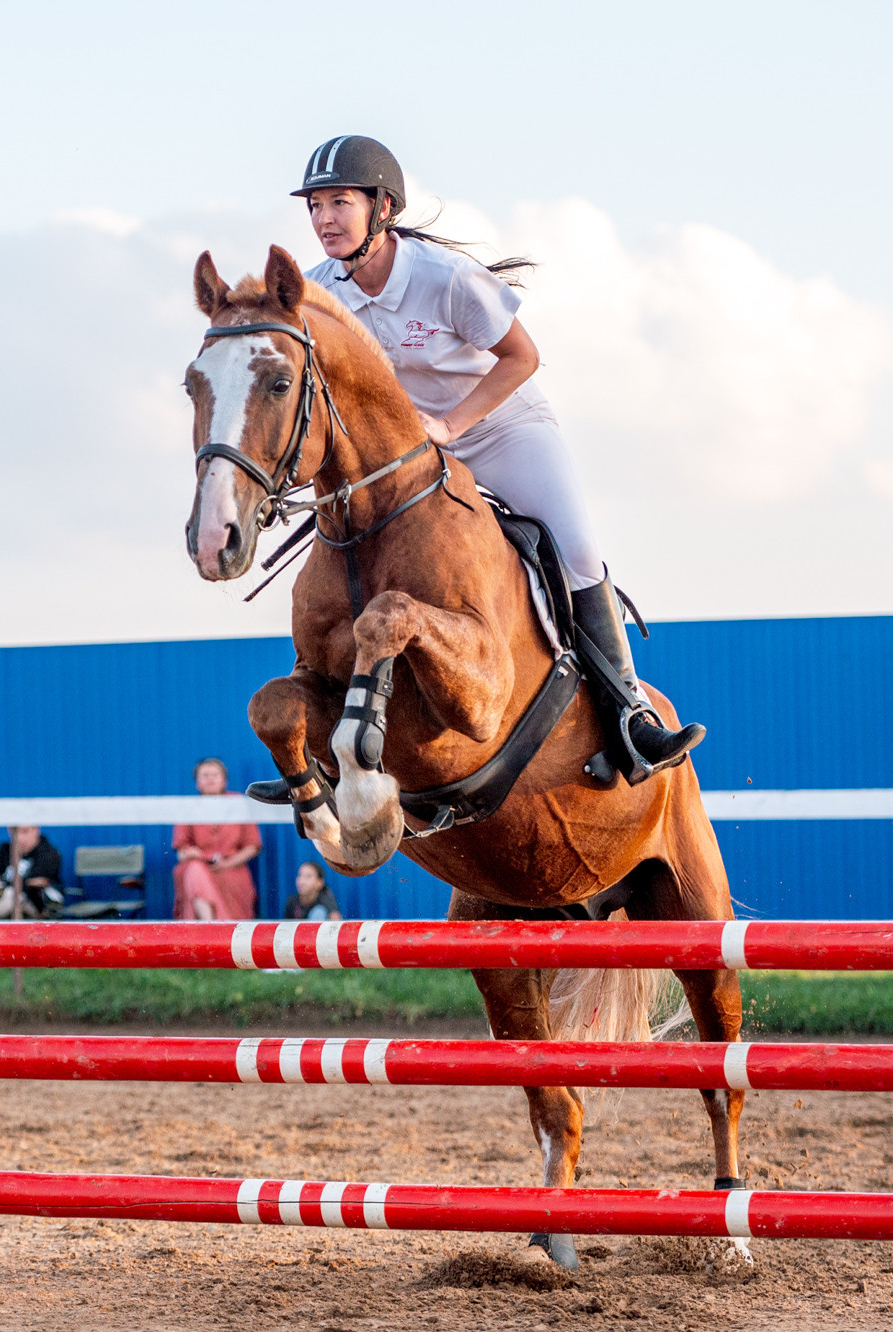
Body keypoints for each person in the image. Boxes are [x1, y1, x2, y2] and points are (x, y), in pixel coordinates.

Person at [284, 135, 705, 780]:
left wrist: (452, 424)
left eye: (339, 202)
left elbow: (523, 358)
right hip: (409, 452)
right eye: (314, 206)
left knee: (575, 551)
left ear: (384, 207)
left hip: (500, 426)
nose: (324, 220)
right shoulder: (319, 294)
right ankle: (319, 744)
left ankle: (629, 717)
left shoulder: (443, 278)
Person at [171, 758, 261, 920]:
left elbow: (252, 846)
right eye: (205, 775)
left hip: (232, 868)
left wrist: (227, 863)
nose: (210, 779)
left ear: (224, 780)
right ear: (197, 782)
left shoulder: (239, 803)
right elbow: (181, 852)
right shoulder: (188, 807)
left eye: (215, 775)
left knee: (201, 874)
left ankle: (215, 928)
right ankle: (210, 925)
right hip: (201, 866)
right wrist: (194, 854)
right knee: (194, 871)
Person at [0, 826, 65, 918]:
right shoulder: (4, 851)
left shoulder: (48, 854)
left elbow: (30, 888)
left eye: (25, 831)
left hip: (28, 904)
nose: (19, 838)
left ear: (36, 829)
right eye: (14, 832)